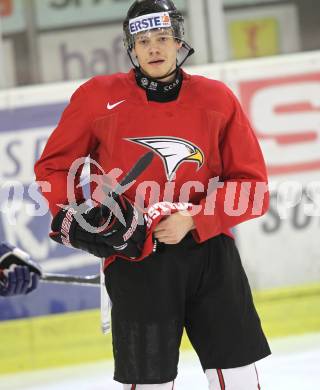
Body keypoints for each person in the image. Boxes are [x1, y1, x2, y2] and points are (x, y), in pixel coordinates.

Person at [34, 0, 271, 388]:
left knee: (240, 376)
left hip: (210, 255)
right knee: (149, 384)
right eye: (143, 40)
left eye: (162, 37)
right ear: (132, 47)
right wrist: (75, 214)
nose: (154, 48)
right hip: (135, 257)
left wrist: (194, 218)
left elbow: (253, 188)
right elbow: (54, 168)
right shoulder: (97, 97)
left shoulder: (216, 98)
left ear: (179, 42)